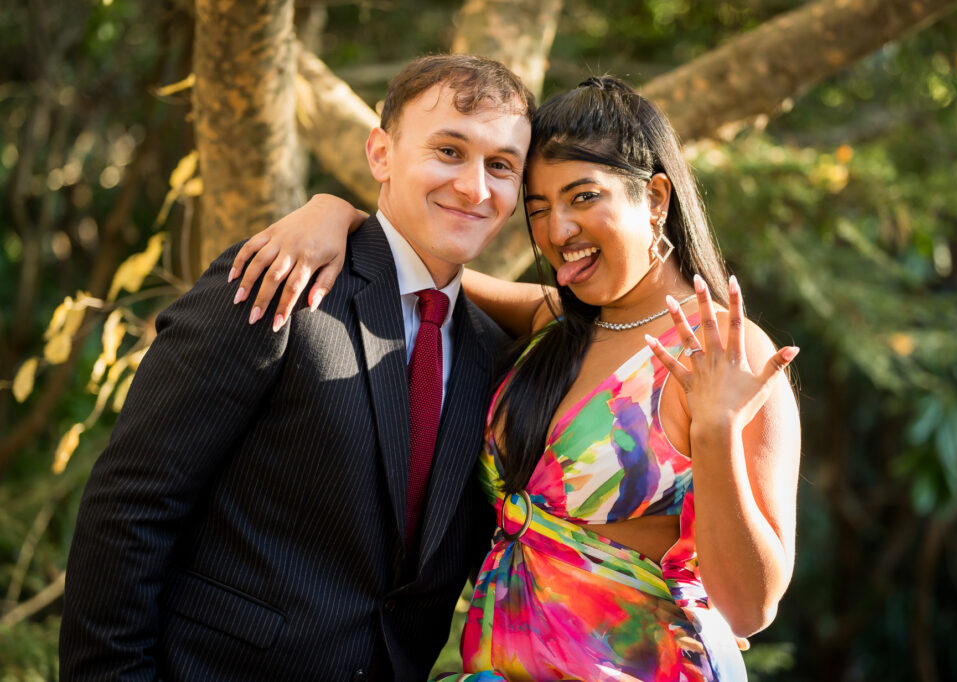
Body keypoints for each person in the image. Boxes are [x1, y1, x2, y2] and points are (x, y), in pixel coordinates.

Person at [234, 77, 801, 680]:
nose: (557, 232)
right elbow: (418, 264)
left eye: (583, 197)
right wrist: (335, 215)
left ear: (656, 198)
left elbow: (750, 608)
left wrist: (715, 431)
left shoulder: (724, 354)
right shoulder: (557, 326)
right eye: (539, 209)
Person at [59, 55, 534, 681]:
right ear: (381, 154)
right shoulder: (280, 278)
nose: (476, 187)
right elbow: (131, 506)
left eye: (501, 166)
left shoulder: (492, 353)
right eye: (449, 150)